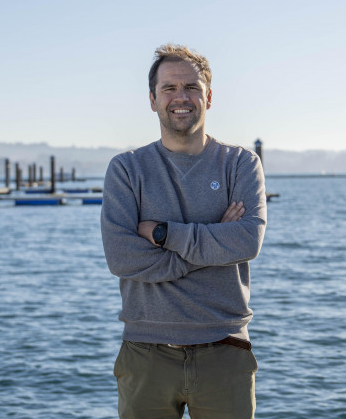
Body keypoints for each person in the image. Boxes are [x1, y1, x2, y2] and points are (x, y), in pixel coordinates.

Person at [100, 43, 267, 419]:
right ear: (152, 99)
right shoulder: (126, 169)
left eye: (191, 87)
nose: (181, 97)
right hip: (145, 351)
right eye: (169, 88)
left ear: (208, 96)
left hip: (224, 350)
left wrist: (162, 235)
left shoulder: (240, 164)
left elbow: (245, 241)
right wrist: (211, 247)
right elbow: (122, 258)